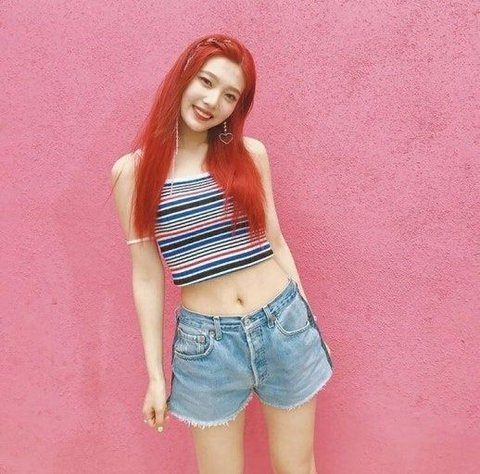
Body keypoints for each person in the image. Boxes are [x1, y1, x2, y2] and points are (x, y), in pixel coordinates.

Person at [111, 33, 334, 474]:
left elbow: (276, 242)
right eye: (207, 82)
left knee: (297, 467)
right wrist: (155, 376)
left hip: (284, 324)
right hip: (207, 347)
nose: (213, 101)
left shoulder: (251, 155)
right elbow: (147, 275)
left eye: (230, 95)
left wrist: (307, 322)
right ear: (183, 78)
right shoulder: (132, 173)